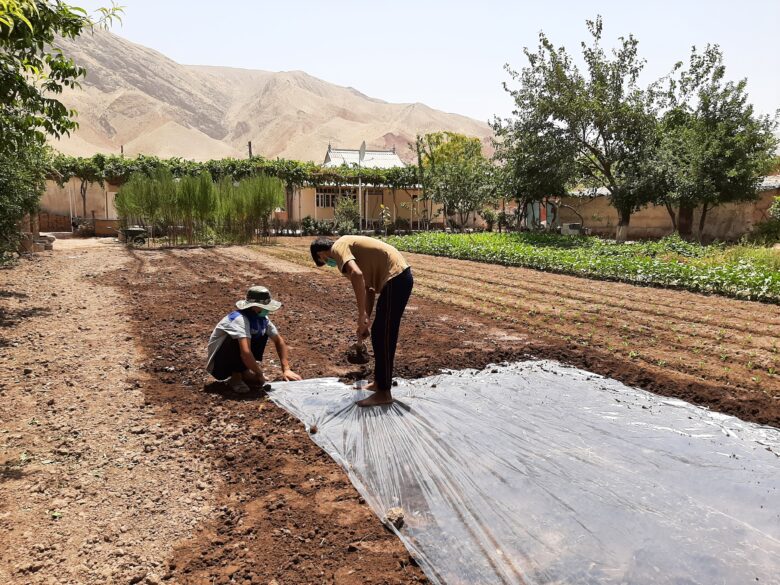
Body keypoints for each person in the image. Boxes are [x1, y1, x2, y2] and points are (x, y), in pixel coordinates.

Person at [310, 235, 413, 407]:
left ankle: (384, 393)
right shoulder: (347, 248)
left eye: (322, 260)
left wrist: (361, 315)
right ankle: (380, 383)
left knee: (384, 335)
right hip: (397, 279)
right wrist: (365, 320)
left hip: (397, 279)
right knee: (379, 333)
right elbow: (369, 288)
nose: (327, 263)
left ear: (321, 253)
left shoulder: (338, 247)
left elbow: (356, 274)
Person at [206, 285, 302, 393]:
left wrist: (286, 369)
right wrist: (259, 373)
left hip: (239, 359)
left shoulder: (262, 319)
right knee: (238, 339)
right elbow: (245, 352)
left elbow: (279, 341)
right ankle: (236, 376)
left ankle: (243, 372)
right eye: (264, 306)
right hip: (219, 365)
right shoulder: (239, 319)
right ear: (254, 306)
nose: (267, 310)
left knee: (260, 332)